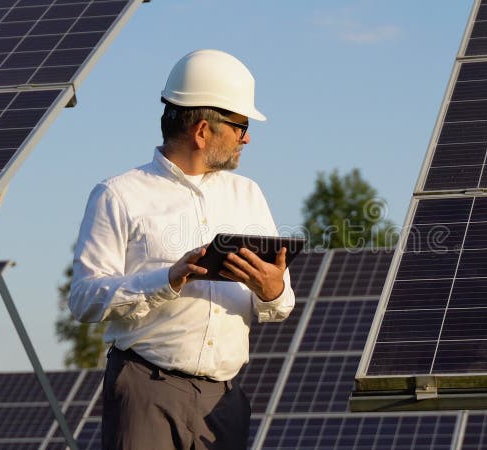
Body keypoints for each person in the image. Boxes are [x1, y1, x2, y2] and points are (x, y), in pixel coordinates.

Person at [68, 49, 295, 450]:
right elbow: (84, 300)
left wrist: (272, 289)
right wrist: (167, 279)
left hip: (224, 404)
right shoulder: (118, 195)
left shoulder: (249, 195)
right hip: (146, 393)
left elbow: (280, 304)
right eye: (241, 125)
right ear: (203, 130)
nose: (248, 137)